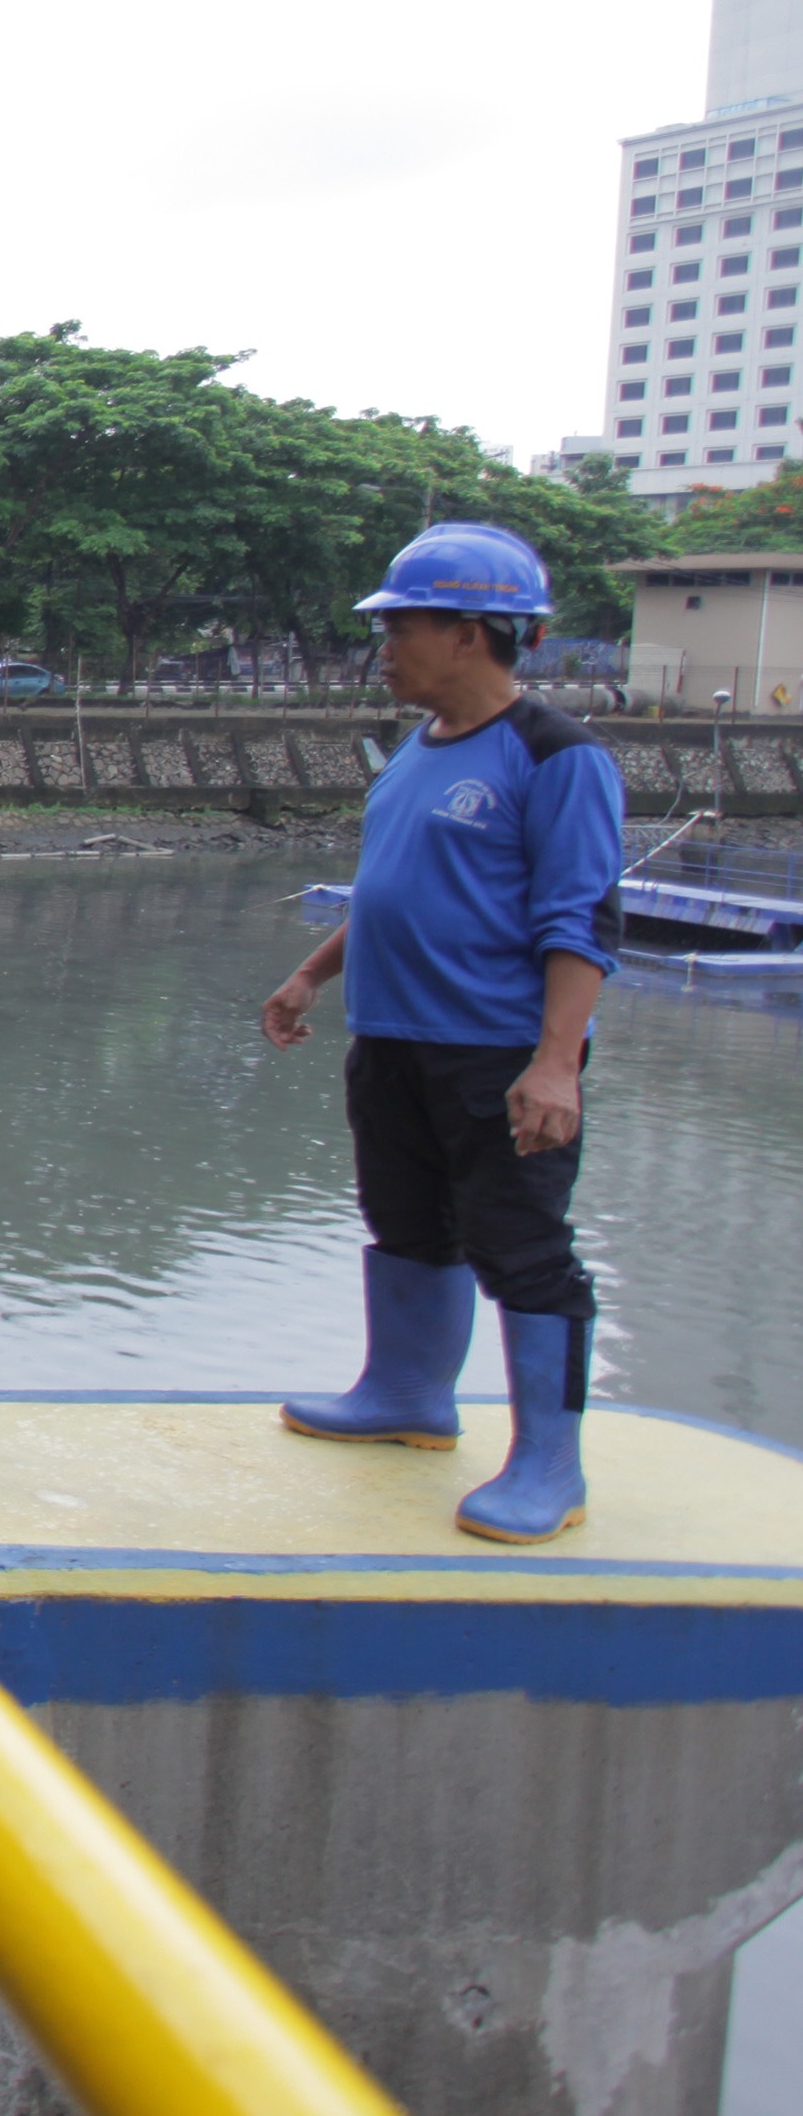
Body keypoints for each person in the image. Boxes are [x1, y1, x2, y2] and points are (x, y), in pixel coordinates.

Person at [261, 523, 622, 1543]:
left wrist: (556, 1064)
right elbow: (389, 891)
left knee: (522, 1248)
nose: (383, 647)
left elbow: (580, 920)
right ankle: (407, 1395)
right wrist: (308, 974)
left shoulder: (556, 756)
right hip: (392, 1036)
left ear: (469, 635)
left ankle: (549, 1466)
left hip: (494, 1050)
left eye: (399, 626)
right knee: (406, 1220)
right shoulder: (415, 752)